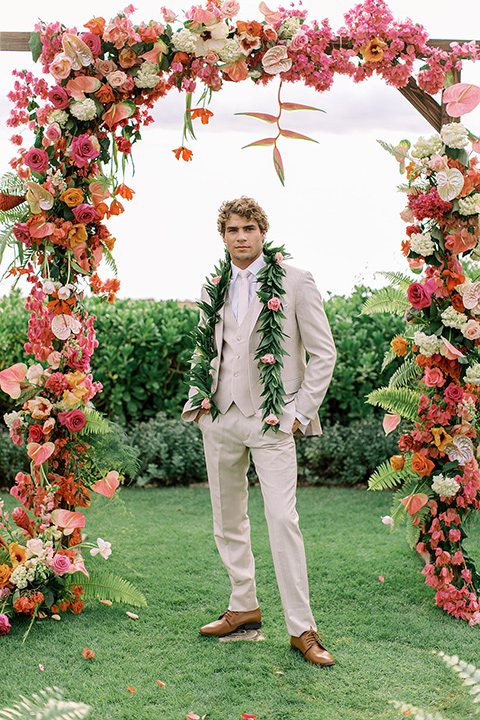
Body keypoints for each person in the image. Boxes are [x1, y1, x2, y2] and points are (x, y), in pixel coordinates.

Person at [182, 197, 337, 666]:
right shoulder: (216, 283)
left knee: (282, 520)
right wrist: (203, 405)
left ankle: (302, 628)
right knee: (227, 519)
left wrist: (296, 414)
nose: (241, 236)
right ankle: (243, 606)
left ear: (263, 232)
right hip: (221, 417)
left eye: (249, 228)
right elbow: (211, 348)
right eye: (232, 230)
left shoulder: (296, 280)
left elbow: (323, 353)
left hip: (272, 419)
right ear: (223, 236)